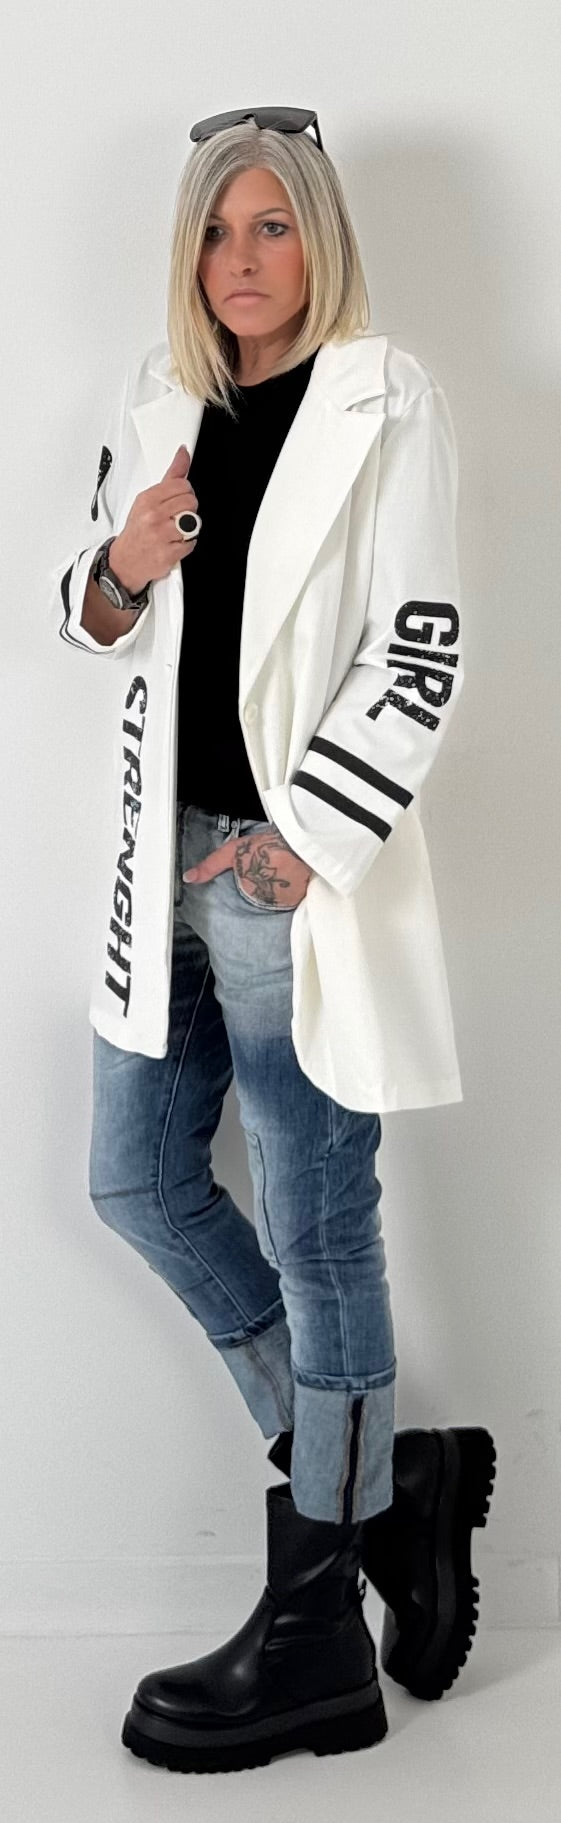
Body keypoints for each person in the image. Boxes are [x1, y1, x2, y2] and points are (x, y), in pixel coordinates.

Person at [49, 107, 496, 1776]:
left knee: (315, 1226)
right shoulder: (157, 397)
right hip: (155, 857)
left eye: (273, 226)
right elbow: (91, 623)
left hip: (284, 870)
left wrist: (303, 840)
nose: (240, 259)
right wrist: (120, 564)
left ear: (320, 238)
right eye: (216, 230)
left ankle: (316, 1639)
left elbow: (422, 642)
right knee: (136, 1181)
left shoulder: (387, 398)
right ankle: (382, 1487)